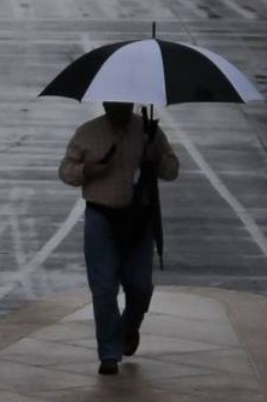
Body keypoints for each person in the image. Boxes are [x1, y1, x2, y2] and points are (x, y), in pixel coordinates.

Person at [59, 102, 180, 376]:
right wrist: (86, 171)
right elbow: (66, 170)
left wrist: (156, 158)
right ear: (105, 103)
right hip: (101, 216)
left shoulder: (149, 131)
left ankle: (128, 328)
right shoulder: (88, 133)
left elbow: (172, 170)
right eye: (113, 102)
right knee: (103, 288)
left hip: (139, 219)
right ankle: (109, 353)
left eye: (125, 102)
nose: (119, 107)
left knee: (140, 286)